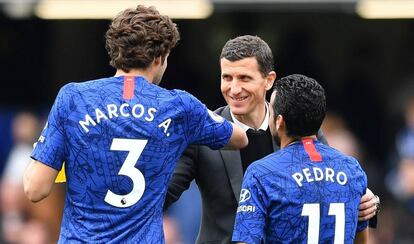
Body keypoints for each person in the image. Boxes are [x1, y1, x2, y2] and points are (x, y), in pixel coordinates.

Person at [22, 5, 247, 243]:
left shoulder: (73, 99)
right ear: (160, 58)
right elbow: (239, 138)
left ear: (116, 52)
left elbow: (35, 189)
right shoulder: (180, 107)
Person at [165, 35, 378, 243]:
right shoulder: (204, 130)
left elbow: (328, 187)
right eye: (227, 77)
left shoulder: (301, 128)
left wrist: (370, 202)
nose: (234, 88)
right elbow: (163, 193)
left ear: (269, 80)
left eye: (244, 78)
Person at [232, 74, 369, 243]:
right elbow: (361, 239)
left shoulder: (261, 173)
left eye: (271, 111)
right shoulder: (352, 169)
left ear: (279, 122)